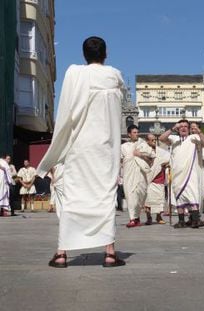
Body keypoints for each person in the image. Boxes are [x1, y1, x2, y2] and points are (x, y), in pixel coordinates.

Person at [36, 36, 126, 268]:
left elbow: (65, 112)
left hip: (79, 146)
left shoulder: (75, 74)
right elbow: (117, 109)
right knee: (104, 196)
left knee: (74, 196)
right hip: (104, 147)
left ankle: (61, 253)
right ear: (105, 54)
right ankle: (109, 252)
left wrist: (57, 150)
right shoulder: (113, 76)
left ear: (84, 55)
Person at [159, 120, 204, 228]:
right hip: (177, 173)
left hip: (190, 173)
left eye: (186, 126)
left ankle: (195, 220)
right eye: (181, 126)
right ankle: (181, 221)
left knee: (192, 195)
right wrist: (172, 128)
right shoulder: (174, 139)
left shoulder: (193, 138)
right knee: (179, 196)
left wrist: (199, 131)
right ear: (178, 128)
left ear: (189, 129)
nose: (183, 128)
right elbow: (161, 139)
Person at [121, 125, 155, 228]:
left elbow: (152, 156)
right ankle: (132, 219)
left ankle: (137, 218)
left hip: (140, 174)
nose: (136, 134)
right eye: (134, 132)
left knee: (140, 196)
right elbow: (121, 160)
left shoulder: (142, 144)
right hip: (129, 175)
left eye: (137, 132)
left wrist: (140, 155)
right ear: (129, 134)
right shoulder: (124, 146)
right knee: (130, 196)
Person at [144, 134, 169, 225]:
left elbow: (169, 158)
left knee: (159, 200)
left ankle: (159, 217)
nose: (154, 142)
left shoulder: (161, 152)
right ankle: (149, 218)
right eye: (152, 140)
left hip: (159, 178)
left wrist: (166, 164)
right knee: (148, 200)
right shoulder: (143, 151)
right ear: (147, 141)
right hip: (148, 178)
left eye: (155, 140)